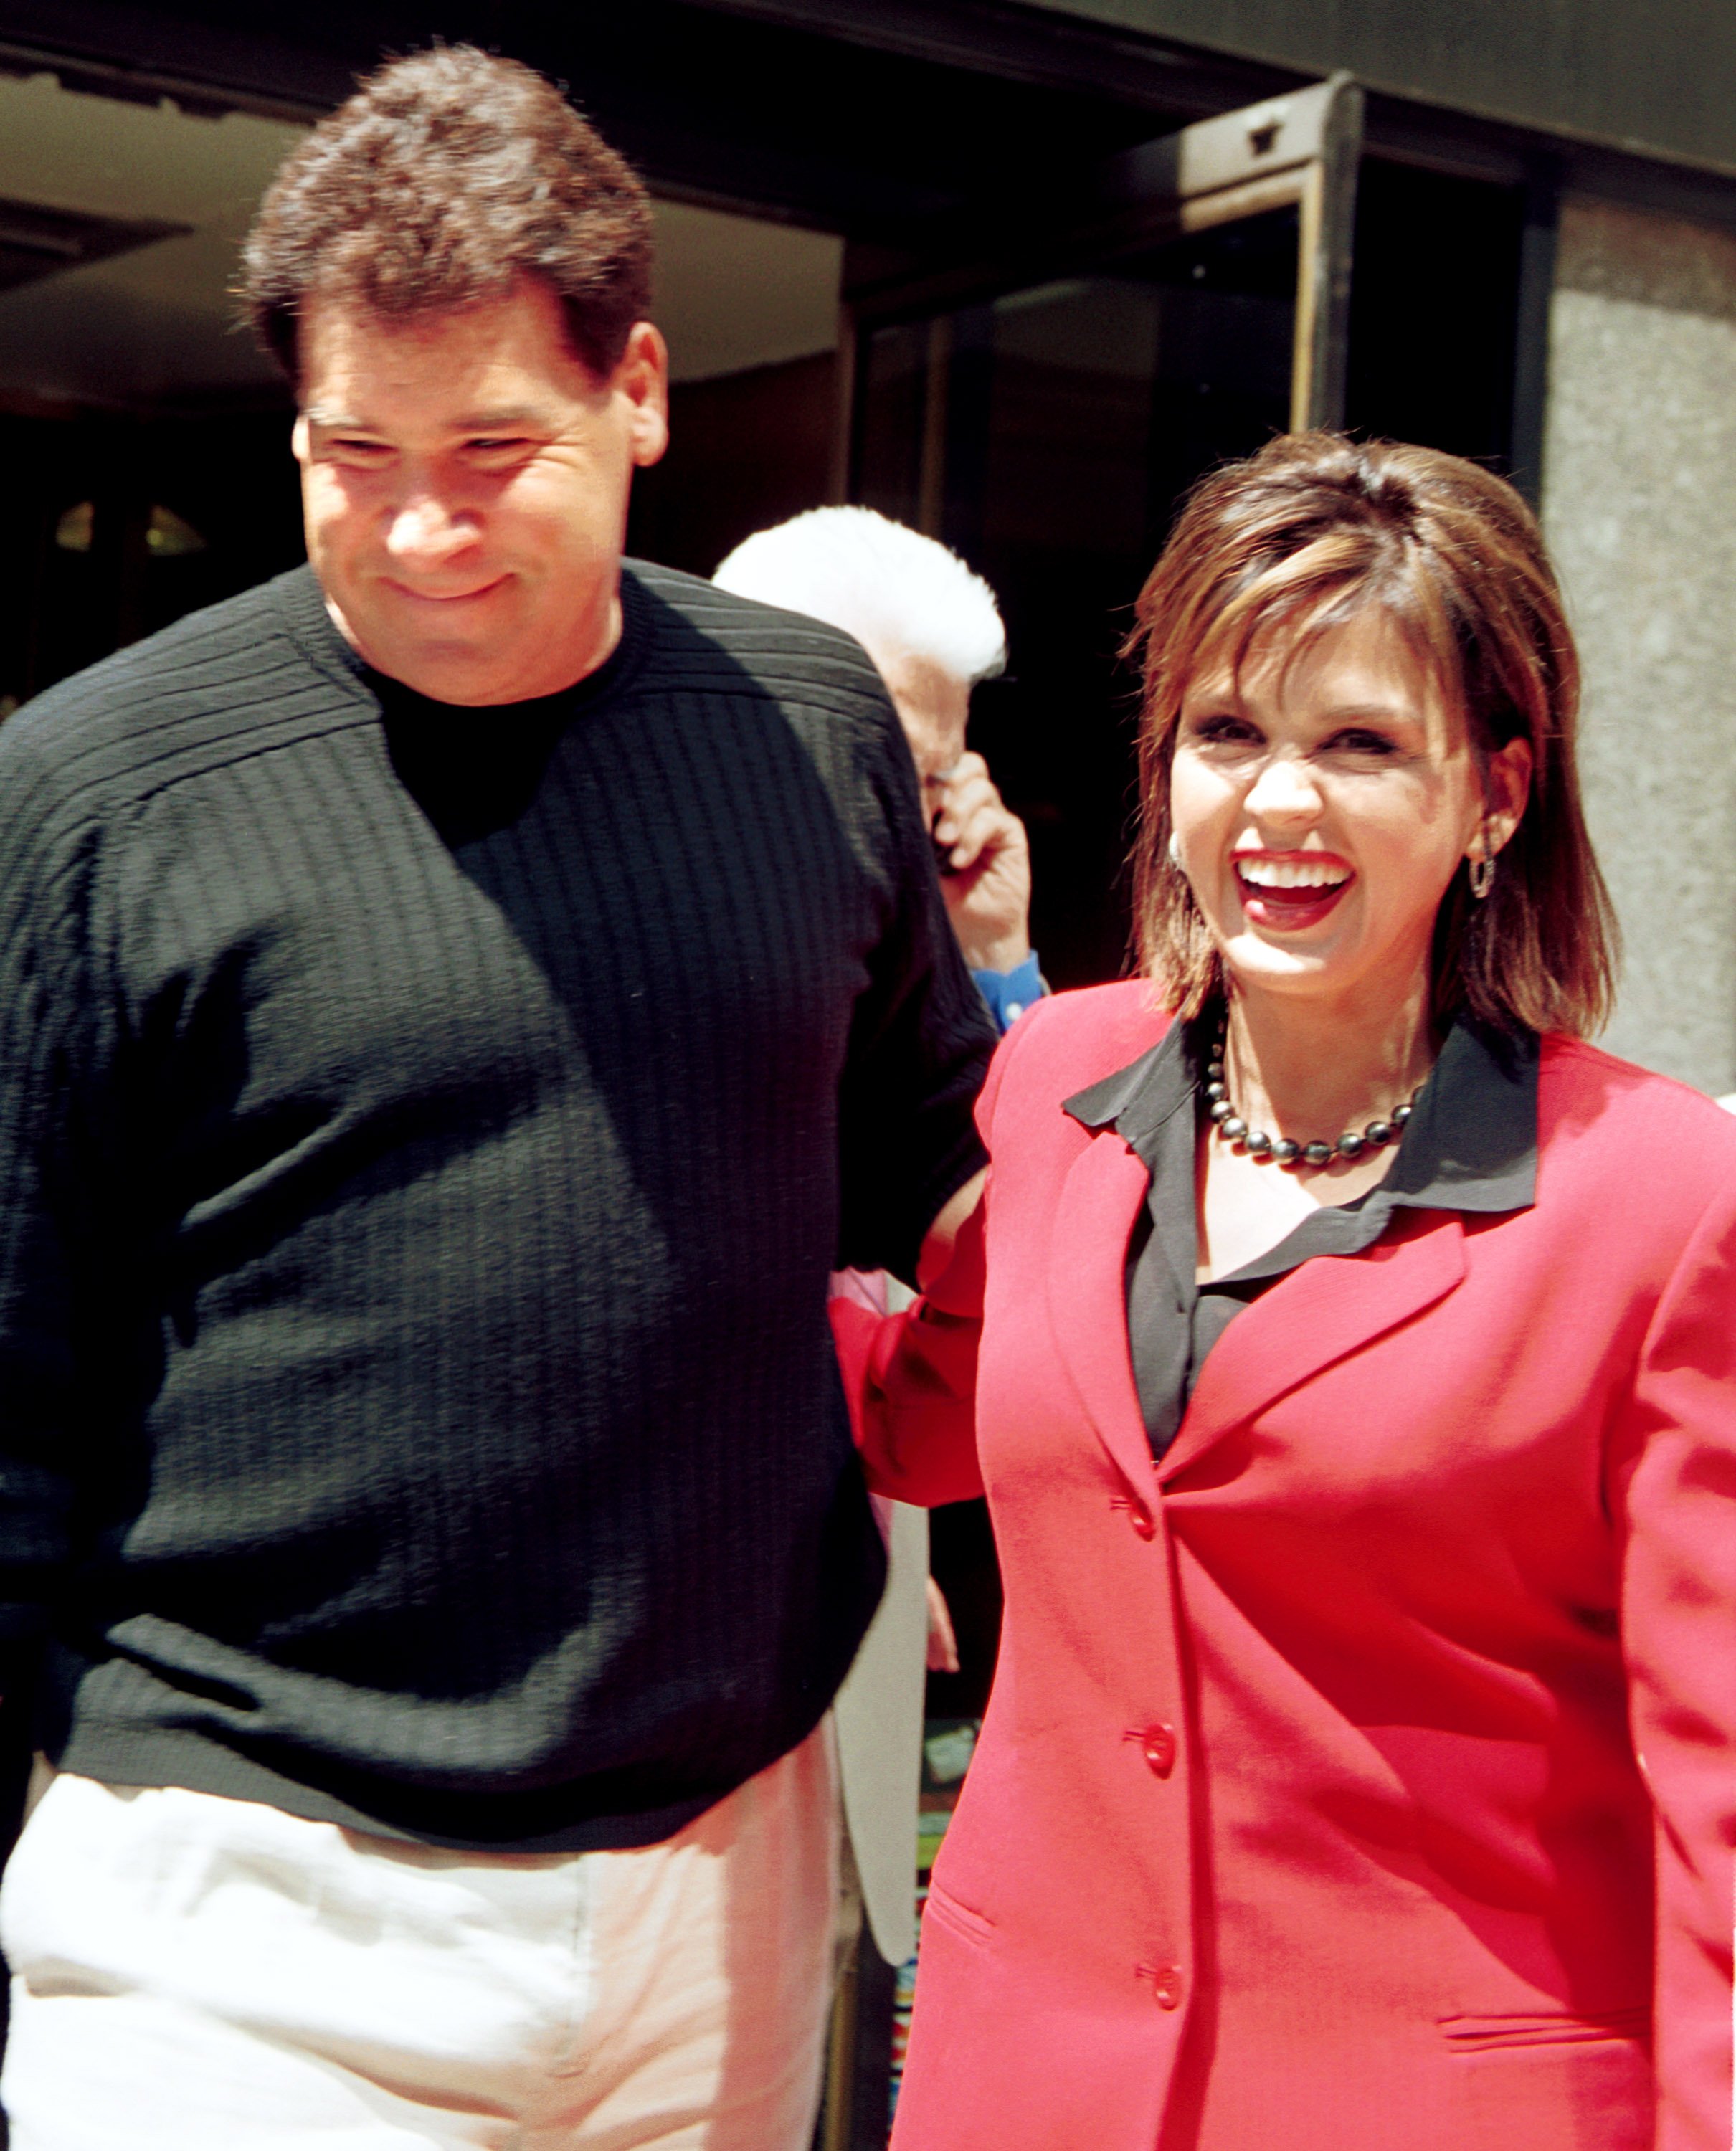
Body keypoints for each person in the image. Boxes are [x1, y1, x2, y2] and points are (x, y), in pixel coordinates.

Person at [0, 45, 995, 2151]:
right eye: (350, 450)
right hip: (235, 1908)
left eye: (494, 446)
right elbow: (12, 1389)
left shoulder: (806, 724)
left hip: (720, 1888)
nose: (421, 526)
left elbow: (948, 1174)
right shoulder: (92, 794)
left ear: (637, 390)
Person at [833, 434, 1736, 2150]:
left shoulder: (1663, 1198)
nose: (1277, 803)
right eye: (1226, 734)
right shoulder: (1054, 1082)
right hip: (1019, 2085)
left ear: (1494, 794)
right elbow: (922, 1412)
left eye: (1360, 745)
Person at [713, 509, 1036, 2007]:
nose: (910, 821)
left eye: (929, 779)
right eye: (883, 769)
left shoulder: (908, 943)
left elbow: (1049, 1233)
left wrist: (992, 958)